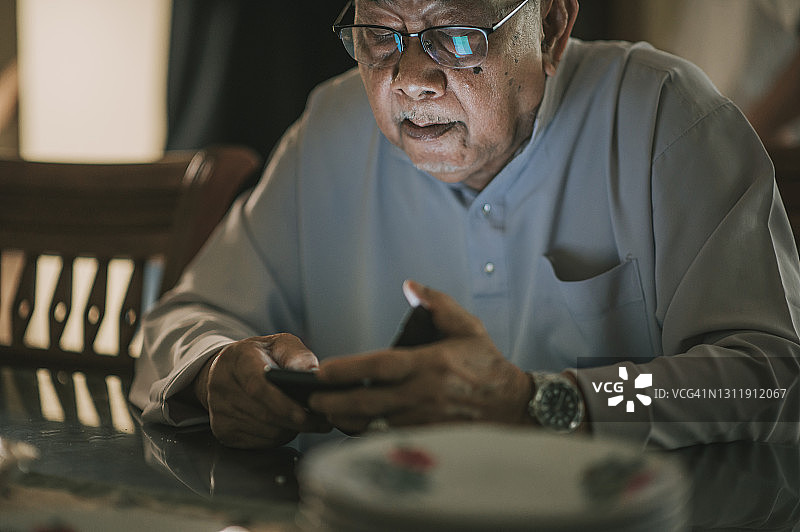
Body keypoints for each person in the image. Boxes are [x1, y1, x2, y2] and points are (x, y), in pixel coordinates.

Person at [131, 0, 800, 451]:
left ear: (552, 27)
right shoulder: (330, 130)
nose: (410, 79)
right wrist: (218, 369)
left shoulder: (664, 120)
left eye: (454, 35)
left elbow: (766, 376)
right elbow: (182, 320)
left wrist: (550, 402)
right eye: (381, 36)